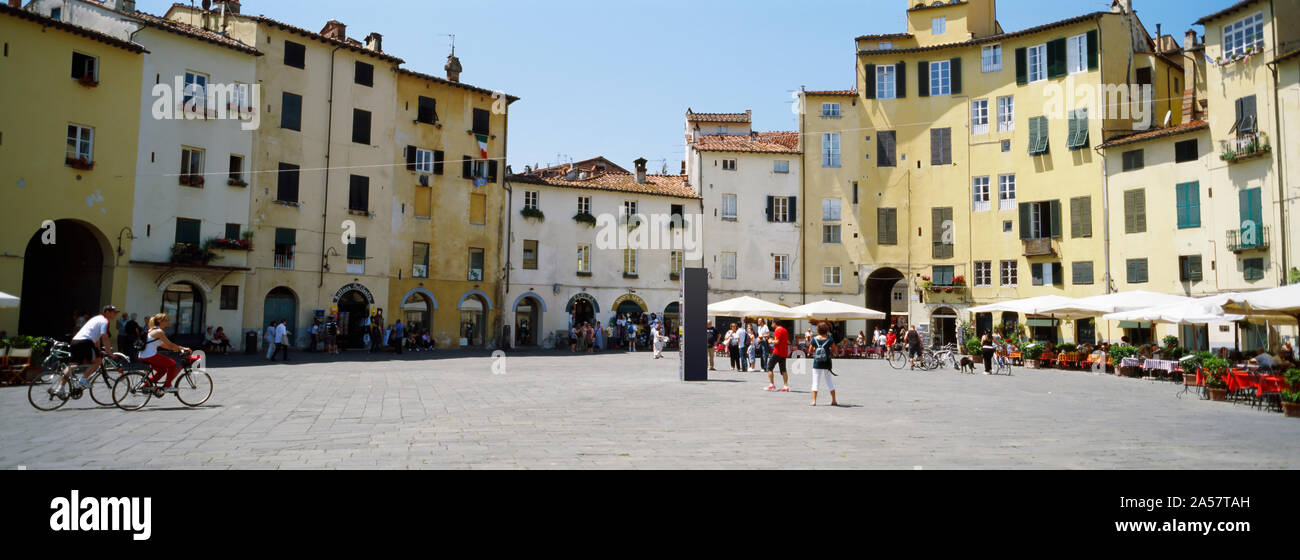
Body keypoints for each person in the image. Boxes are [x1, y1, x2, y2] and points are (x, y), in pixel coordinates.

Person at [62, 305, 119, 392]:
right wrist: (110, 353)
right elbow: (104, 337)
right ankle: (83, 380)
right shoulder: (105, 321)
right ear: (107, 312)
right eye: (114, 312)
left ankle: (59, 388)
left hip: (75, 341)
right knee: (98, 362)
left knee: (72, 365)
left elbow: (96, 338)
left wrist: (98, 350)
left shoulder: (96, 318)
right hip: (86, 342)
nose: (115, 315)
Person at [137, 313, 191, 393]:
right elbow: (170, 344)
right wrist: (183, 348)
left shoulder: (152, 330)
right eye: (166, 320)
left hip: (142, 355)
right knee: (173, 364)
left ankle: (146, 384)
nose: (167, 321)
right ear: (160, 321)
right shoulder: (159, 331)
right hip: (150, 356)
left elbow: (164, 345)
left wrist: (177, 349)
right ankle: (167, 386)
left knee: (162, 370)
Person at [809, 321, 839, 406]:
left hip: (817, 363)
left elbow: (810, 351)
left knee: (815, 382)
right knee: (829, 382)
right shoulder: (830, 339)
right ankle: (834, 400)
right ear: (826, 330)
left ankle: (814, 401)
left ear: (818, 330)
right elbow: (836, 351)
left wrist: (815, 351)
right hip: (827, 363)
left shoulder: (814, 339)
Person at [766, 320, 790, 392]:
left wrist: (771, 341)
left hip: (777, 352)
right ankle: (786, 386)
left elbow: (777, 341)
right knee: (783, 369)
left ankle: (771, 385)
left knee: (769, 367)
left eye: (772, 323)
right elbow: (785, 340)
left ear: (775, 323)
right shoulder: (785, 330)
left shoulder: (777, 330)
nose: (772, 324)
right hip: (784, 352)